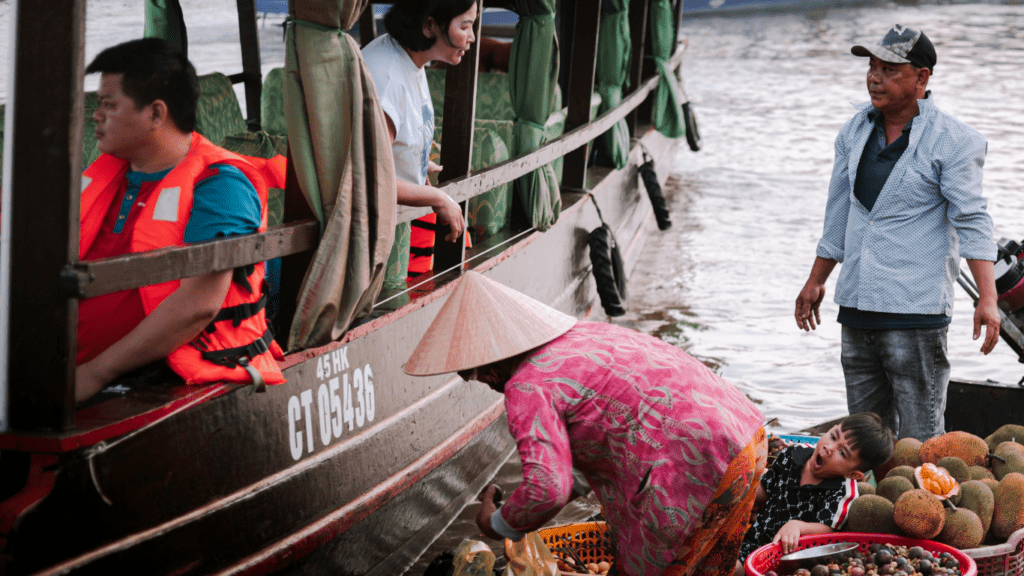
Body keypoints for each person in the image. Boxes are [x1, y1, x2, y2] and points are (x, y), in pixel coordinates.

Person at [404, 271, 768, 576]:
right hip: (745, 439)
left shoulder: (527, 385)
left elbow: (548, 489)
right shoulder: (587, 335)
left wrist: (495, 524)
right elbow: (605, 429)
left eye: (481, 376)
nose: (490, 384)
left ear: (490, 366)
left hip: (697, 470)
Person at [794, 24, 999, 441]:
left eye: (889, 69)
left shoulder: (954, 141)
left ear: (922, 78)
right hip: (855, 309)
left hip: (915, 316)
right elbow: (838, 215)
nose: (874, 77)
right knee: (865, 443)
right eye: (872, 67)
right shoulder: (854, 132)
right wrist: (816, 280)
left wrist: (988, 299)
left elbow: (973, 220)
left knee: (922, 442)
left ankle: (926, 506)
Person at [76, 38, 285, 403]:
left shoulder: (221, 184)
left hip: (153, 375)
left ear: (156, 114)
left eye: (108, 105)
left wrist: (94, 374)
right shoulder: (106, 176)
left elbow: (200, 303)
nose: (96, 114)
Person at [362, 0, 473, 278]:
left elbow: (391, 146)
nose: (472, 37)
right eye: (465, 26)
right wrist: (438, 197)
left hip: (400, 229)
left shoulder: (413, 60)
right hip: (373, 241)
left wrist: (416, 160)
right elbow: (372, 180)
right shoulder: (385, 77)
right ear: (428, 25)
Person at [735, 412, 895, 572]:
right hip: (752, 539)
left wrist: (799, 526)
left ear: (853, 474)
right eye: (833, 436)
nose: (829, 448)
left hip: (783, 560)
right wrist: (739, 493)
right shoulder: (792, 455)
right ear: (832, 428)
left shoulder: (844, 492)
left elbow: (828, 528)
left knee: (735, 570)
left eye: (842, 453)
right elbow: (765, 489)